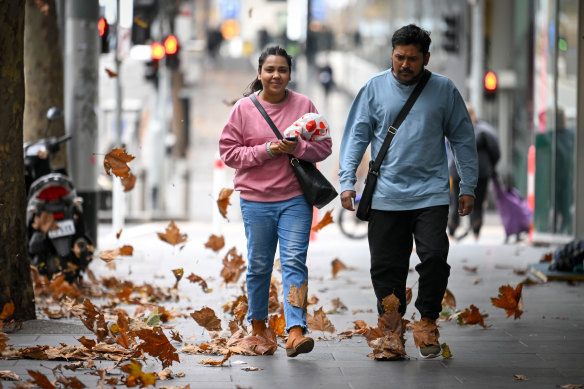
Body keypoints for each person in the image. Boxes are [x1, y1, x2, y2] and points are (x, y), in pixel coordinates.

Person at [338, 24, 478, 359]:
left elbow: (462, 139)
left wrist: (467, 184)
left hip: (430, 194)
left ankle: (427, 321)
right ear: (392, 54)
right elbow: (356, 136)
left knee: (433, 258)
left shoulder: (444, 91)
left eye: (412, 59)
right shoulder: (373, 89)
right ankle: (391, 331)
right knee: (387, 267)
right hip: (385, 195)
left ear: (426, 58)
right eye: (399, 57)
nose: (404, 64)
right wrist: (347, 181)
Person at [219, 46, 332, 357]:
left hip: (295, 199)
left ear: (290, 75)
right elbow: (229, 154)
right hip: (256, 201)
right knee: (258, 265)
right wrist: (268, 150)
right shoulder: (243, 109)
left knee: (294, 261)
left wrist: (297, 149)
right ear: (259, 74)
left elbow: (324, 148)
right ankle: (258, 327)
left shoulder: (304, 105)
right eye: (269, 70)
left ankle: (295, 331)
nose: (276, 75)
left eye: (282, 70)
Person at [448, 104, 500, 241]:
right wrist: (491, 166)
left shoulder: (454, 129)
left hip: (466, 172)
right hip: (477, 172)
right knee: (473, 203)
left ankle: (455, 232)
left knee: (462, 203)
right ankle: (472, 233)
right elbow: (495, 152)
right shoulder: (485, 131)